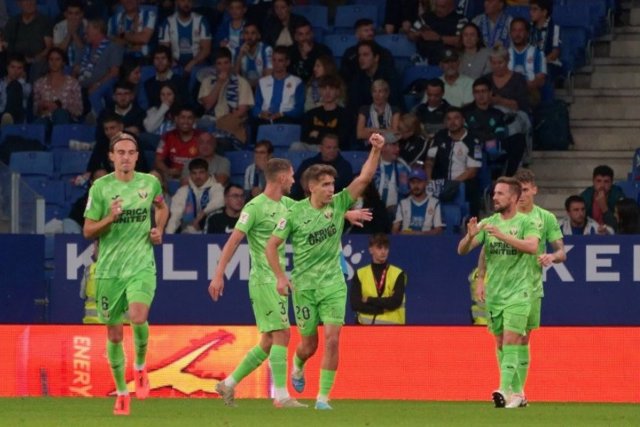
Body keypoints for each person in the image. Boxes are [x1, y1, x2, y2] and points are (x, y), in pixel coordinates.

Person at [265, 133, 385, 410]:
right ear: (310, 187)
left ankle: (323, 398)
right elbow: (272, 246)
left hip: (333, 283)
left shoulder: (339, 203)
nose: (332, 189)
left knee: (333, 340)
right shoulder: (294, 213)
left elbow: (364, 179)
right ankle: (297, 365)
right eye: (325, 185)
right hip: (305, 288)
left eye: (333, 184)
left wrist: (376, 150)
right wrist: (281, 277)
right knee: (309, 345)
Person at [207, 158, 307, 407]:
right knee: (282, 333)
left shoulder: (288, 204)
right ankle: (281, 396)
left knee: (268, 341)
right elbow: (233, 242)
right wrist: (219, 274)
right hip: (264, 280)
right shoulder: (254, 207)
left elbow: (313, 212)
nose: (294, 180)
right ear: (282, 178)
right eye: (292, 175)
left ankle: (227, 384)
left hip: (278, 280)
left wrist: (344, 212)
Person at [83, 132, 169, 415]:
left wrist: (159, 229)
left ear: (136, 156)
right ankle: (122, 392)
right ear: (111, 156)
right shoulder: (100, 188)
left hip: (141, 263)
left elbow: (161, 207)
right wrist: (110, 217)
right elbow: (88, 230)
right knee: (115, 333)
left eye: (131, 152)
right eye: (120, 152)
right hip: (109, 270)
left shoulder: (150, 182)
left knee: (138, 316)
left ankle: (141, 366)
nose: (126, 157)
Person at [477, 168, 565, 407]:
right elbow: (486, 248)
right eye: (520, 190)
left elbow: (561, 251)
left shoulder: (544, 218)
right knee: (504, 340)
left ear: (534, 190)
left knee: (521, 339)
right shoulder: (499, 220)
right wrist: (481, 277)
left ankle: (513, 391)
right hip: (501, 289)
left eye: (526, 190)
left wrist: (552, 257)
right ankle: (516, 393)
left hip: (531, 287)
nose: (523, 195)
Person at [457, 176, 540, 409]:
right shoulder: (488, 223)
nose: (495, 197)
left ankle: (503, 389)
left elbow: (533, 246)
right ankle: (518, 393)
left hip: (520, 291)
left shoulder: (526, 223)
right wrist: (471, 235)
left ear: (514, 197)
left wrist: (503, 236)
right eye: (494, 193)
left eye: (500, 194)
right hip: (495, 293)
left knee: (513, 338)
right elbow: (462, 250)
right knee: (502, 343)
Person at [426, 107, 483, 217]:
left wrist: (452, 184)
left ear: (463, 120)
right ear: (445, 122)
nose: (452, 122)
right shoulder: (440, 136)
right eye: (449, 119)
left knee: (473, 189)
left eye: (456, 118)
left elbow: (472, 171)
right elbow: (429, 161)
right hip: (440, 182)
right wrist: (428, 179)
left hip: (464, 182)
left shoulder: (474, 140)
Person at [350, 233, 408, 325]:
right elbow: (355, 304)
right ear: (371, 250)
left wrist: (369, 300)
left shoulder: (398, 273)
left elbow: (395, 302)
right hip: (364, 329)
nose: (383, 252)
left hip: (392, 329)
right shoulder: (360, 273)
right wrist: (382, 309)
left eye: (386, 248)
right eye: (379, 248)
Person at [251, 46, 305, 129]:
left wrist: (281, 114)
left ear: (287, 62)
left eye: (280, 61)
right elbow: (256, 107)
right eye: (274, 60)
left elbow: (299, 109)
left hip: (287, 119)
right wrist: (261, 114)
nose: (276, 64)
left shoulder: (297, 82)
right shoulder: (262, 82)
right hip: (265, 119)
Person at [166, 158, 224, 234]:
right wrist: (168, 235)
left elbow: (219, 202)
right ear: (190, 174)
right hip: (187, 233)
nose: (198, 176)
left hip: (212, 232)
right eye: (194, 173)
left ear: (207, 173)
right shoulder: (183, 191)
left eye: (201, 172)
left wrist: (201, 215)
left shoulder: (216, 187)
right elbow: (175, 216)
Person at [290, 134, 353, 200]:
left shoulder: (345, 167)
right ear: (321, 148)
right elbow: (297, 183)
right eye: (328, 147)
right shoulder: (308, 164)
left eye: (335, 148)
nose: (332, 150)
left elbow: (346, 190)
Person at [3, 0, 52, 80]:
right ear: (19, 4)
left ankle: (34, 91)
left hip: (36, 61)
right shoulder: (13, 22)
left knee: (39, 65)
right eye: (26, 1)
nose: (30, 3)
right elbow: (5, 45)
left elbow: (48, 47)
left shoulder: (44, 21)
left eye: (32, 0)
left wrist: (34, 59)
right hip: (15, 61)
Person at [33, 48, 83, 127]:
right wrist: (41, 106)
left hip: (66, 120)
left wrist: (59, 106)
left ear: (63, 62)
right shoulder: (39, 83)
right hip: (45, 120)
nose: (54, 63)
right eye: (51, 59)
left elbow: (79, 110)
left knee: (60, 114)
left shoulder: (73, 83)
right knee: (40, 123)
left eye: (57, 59)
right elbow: (35, 110)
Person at [158, 0, 212, 74]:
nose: (186, 4)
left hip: (197, 63)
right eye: (183, 1)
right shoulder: (168, 22)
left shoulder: (201, 21)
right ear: (177, 2)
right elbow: (163, 49)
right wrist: (172, 63)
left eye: (189, 1)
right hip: (175, 64)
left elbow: (206, 50)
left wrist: (192, 63)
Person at [408, 0, 467, 65]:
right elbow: (411, 34)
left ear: (451, 7)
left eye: (442, 7)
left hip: (447, 58)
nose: (438, 9)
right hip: (423, 58)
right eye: (437, 6)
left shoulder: (460, 20)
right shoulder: (425, 17)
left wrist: (439, 38)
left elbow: (461, 41)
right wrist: (420, 34)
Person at [301, 74, 350, 150]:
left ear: (337, 92)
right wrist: (329, 133)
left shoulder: (344, 114)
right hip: (313, 148)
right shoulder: (310, 114)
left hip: (334, 150)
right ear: (320, 91)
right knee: (296, 146)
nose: (327, 92)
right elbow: (304, 138)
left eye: (331, 88)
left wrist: (318, 134)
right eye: (324, 88)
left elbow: (342, 140)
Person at [340, 18, 395, 84]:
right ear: (357, 35)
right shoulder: (349, 53)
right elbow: (344, 76)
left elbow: (389, 76)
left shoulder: (384, 53)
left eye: (372, 30)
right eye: (366, 31)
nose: (371, 33)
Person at [392, 169, 444, 235]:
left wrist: (418, 234)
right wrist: (400, 234)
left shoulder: (435, 203)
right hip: (406, 240)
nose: (416, 186)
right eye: (413, 182)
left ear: (425, 183)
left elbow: (438, 230)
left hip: (427, 241)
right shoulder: (403, 203)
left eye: (419, 182)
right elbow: (395, 228)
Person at [580, 165, 626, 231]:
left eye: (606, 181)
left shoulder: (618, 197)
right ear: (593, 181)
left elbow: (618, 227)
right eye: (598, 181)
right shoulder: (585, 196)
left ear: (611, 183)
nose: (602, 185)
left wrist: (604, 208)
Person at [287, 19, 332, 84]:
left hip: (317, 87)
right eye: (301, 34)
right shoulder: (289, 51)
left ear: (312, 34)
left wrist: (308, 55)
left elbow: (327, 74)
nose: (305, 37)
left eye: (307, 33)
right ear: (295, 37)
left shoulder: (323, 51)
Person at [356, 79, 401, 143]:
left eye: (380, 92)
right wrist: (386, 131)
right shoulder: (364, 109)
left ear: (386, 94)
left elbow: (395, 134)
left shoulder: (395, 110)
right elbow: (360, 134)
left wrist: (370, 129)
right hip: (368, 147)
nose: (377, 95)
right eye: (374, 91)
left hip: (389, 147)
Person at [234, 22, 273, 89]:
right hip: (244, 89)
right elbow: (234, 76)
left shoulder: (266, 49)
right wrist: (240, 55)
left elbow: (268, 75)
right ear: (243, 35)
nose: (249, 36)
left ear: (259, 35)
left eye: (253, 33)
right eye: (246, 33)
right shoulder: (237, 50)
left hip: (263, 88)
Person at [53, 0, 87, 68]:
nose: (73, 17)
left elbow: (85, 52)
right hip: (63, 64)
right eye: (70, 13)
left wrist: (74, 34)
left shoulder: (87, 25)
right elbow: (58, 52)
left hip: (83, 64)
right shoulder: (59, 27)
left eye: (77, 13)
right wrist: (69, 34)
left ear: (82, 14)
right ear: (65, 14)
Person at [0, 54, 31, 124]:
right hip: (1, 115)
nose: (15, 71)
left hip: (18, 118)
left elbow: (25, 93)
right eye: (12, 67)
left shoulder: (27, 86)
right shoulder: (1, 83)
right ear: (7, 67)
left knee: (15, 85)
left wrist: (20, 81)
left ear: (23, 70)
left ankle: (8, 117)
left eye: (19, 68)